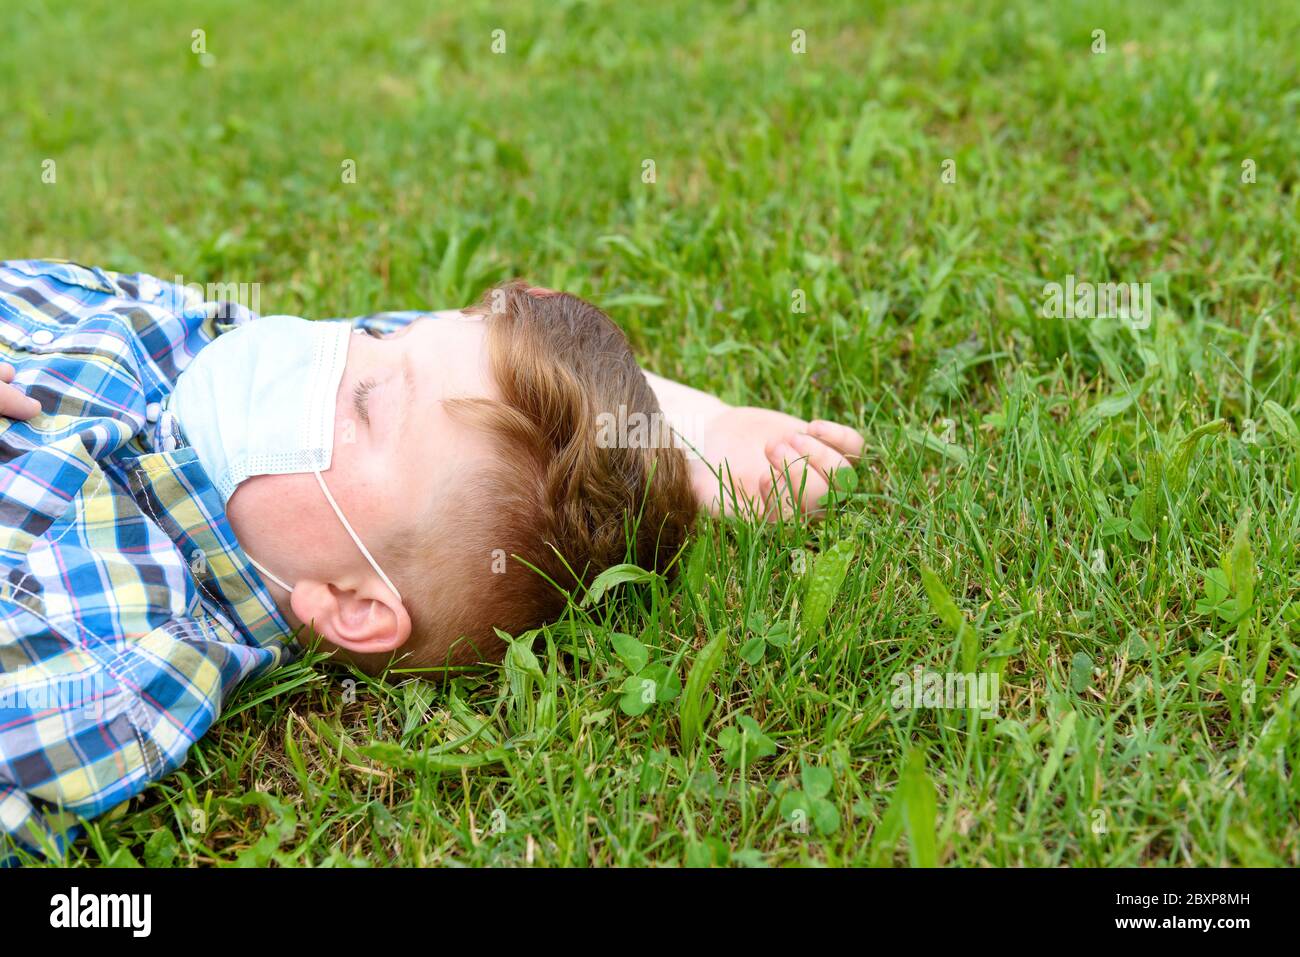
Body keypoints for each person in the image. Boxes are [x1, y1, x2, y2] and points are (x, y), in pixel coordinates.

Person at [0, 260, 862, 857]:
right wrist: (700, 432)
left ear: (354, 604)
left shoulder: (118, 657)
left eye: (370, 398)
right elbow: (431, 343)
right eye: (381, 348)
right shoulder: (238, 392)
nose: (338, 344)